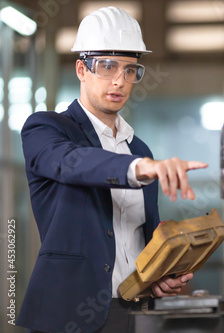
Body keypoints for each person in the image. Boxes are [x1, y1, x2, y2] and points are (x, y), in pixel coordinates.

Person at [17, 7, 207, 333]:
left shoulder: (139, 148)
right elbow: (73, 163)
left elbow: (139, 237)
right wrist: (141, 168)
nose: (119, 80)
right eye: (107, 66)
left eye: (130, 70)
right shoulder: (46, 129)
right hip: (69, 315)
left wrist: (159, 276)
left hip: (136, 311)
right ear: (82, 69)